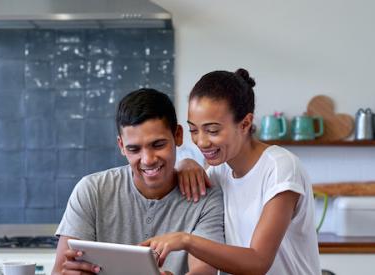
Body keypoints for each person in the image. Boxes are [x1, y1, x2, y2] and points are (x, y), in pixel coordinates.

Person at [142, 69, 321, 275]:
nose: (201, 141)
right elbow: (210, 250)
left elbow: (258, 262)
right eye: (194, 130)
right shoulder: (218, 171)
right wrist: (186, 162)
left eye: (212, 130)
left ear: (245, 124)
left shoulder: (280, 169)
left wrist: (185, 240)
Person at [52, 88, 224, 275]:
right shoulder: (92, 191)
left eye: (158, 145)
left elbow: (204, 270)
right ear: (121, 146)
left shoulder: (205, 197)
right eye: (134, 149)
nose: (148, 159)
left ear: (178, 136)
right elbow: (60, 270)